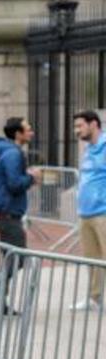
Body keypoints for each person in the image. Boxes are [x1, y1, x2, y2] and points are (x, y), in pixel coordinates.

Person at [0, 116, 39, 317]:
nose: (31, 132)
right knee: (18, 258)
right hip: (7, 214)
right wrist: (32, 177)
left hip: (3, 213)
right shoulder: (13, 154)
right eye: (28, 129)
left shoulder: (7, 152)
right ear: (18, 134)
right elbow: (14, 184)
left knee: (9, 258)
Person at [72, 110, 106, 312]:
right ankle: (95, 298)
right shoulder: (88, 150)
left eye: (80, 126)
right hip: (85, 214)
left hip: (103, 213)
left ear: (93, 124)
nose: (77, 131)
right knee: (91, 259)